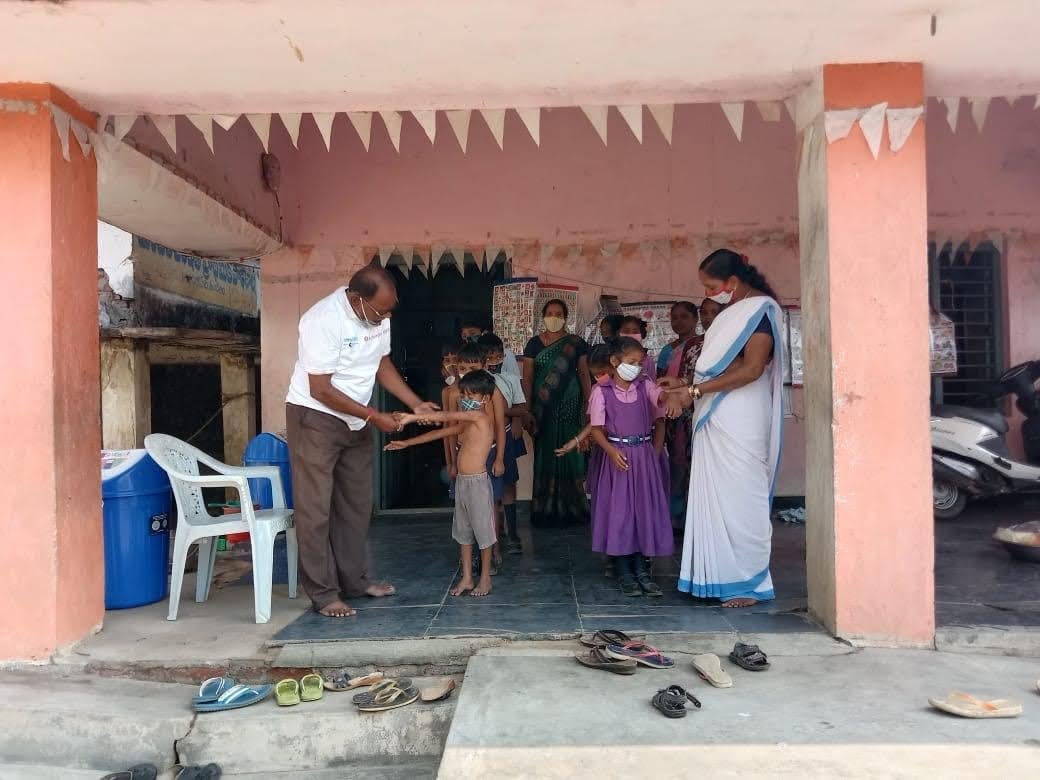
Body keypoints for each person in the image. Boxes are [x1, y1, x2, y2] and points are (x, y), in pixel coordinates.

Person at [285, 264, 439, 618]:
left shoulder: (377, 316)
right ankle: (324, 594)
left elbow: (380, 362)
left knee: (355, 504)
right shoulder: (321, 320)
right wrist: (374, 416)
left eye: (390, 309)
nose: (387, 315)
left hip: (355, 418)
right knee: (316, 510)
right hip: (316, 417)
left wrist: (414, 402)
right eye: (382, 309)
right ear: (357, 299)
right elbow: (320, 388)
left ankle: (354, 581)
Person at [661, 249, 784, 608]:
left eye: (711, 286)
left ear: (732, 282)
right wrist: (682, 383)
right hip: (718, 413)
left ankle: (749, 582)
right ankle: (715, 576)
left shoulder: (759, 311)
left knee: (742, 496)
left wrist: (693, 391)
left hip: (743, 416)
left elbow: (751, 369)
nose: (710, 293)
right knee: (718, 494)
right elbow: (718, 370)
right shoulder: (733, 314)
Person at [387, 371, 499, 597]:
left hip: (478, 483)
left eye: (472, 395)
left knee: (484, 533)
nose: (466, 399)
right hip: (463, 483)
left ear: (485, 399)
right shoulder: (468, 422)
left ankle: (485, 579)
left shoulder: (481, 418)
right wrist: (406, 443)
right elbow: (442, 432)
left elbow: (446, 417)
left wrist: (411, 418)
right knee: (464, 532)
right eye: (464, 394)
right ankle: (467, 577)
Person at [588, 337, 671, 597]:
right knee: (620, 513)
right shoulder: (601, 391)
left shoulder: (645, 386)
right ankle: (623, 569)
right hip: (618, 458)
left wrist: (654, 455)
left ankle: (642, 569)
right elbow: (597, 430)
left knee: (642, 512)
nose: (636, 367)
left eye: (639, 362)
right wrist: (612, 452)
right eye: (631, 362)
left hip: (643, 455)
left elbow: (661, 416)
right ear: (615, 361)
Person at [521, 299, 591, 527]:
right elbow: (529, 378)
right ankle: (545, 510)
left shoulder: (576, 343)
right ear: (543, 316)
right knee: (545, 455)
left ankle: (574, 508)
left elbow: (583, 375)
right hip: (543, 411)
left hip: (571, 409)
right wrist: (526, 410)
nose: (554, 317)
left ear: (565, 317)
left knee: (572, 455)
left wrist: (590, 406)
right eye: (550, 313)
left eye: (558, 313)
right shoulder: (533, 344)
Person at [478, 333, 529, 554]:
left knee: (508, 484)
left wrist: (502, 413)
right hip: (480, 440)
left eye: (499, 356)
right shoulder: (475, 381)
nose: (495, 361)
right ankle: (493, 535)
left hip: (506, 436)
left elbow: (522, 408)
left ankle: (513, 533)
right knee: (487, 489)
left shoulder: (510, 378)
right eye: (490, 356)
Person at [654, 302, 702, 526]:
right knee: (676, 463)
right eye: (674, 317)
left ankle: (696, 517)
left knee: (697, 464)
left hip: (697, 411)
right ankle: (675, 516)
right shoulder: (667, 351)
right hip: (672, 415)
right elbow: (660, 383)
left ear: (695, 319)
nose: (678, 321)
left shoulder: (703, 345)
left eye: (684, 316)